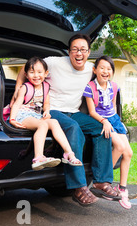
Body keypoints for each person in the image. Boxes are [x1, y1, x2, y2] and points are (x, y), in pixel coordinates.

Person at [12, 34, 121, 206]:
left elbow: (104, 84)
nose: (79, 53)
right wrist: (17, 92)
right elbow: (24, 70)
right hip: (51, 111)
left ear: (88, 52)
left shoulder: (92, 69)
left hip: (74, 111)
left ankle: (101, 181)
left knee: (101, 129)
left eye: (83, 50)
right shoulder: (54, 63)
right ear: (69, 52)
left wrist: (107, 118)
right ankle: (78, 187)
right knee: (73, 128)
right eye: (75, 50)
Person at [9, 57, 82, 171]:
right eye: (32, 72)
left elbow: (46, 103)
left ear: (46, 73)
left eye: (39, 72)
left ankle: (69, 154)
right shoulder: (25, 87)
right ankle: (38, 157)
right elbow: (17, 104)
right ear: (26, 74)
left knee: (54, 122)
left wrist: (47, 111)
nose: (36, 75)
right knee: (42, 125)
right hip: (23, 115)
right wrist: (12, 119)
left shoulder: (45, 87)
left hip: (36, 115)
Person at [83, 56, 133, 209]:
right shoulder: (90, 87)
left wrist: (118, 121)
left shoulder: (114, 86)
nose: (105, 71)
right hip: (101, 120)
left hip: (114, 120)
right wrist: (104, 122)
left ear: (112, 71)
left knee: (128, 153)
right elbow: (92, 112)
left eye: (109, 68)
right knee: (119, 146)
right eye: (102, 68)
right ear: (95, 70)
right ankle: (102, 181)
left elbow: (113, 106)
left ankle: (122, 188)